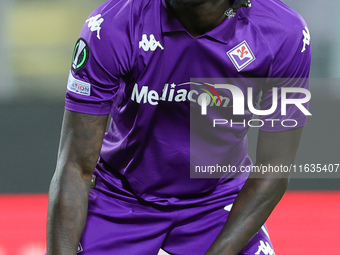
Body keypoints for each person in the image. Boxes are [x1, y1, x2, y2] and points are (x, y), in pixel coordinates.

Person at [47, 0, 311, 254]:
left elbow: (273, 170)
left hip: (216, 200)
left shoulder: (284, 34)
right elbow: (75, 167)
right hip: (120, 197)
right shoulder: (111, 26)